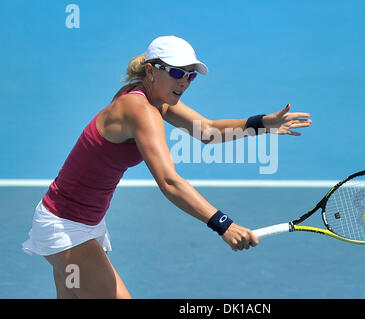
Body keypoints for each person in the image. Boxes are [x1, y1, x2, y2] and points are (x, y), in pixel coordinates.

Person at [22, 35, 312, 299]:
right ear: (150, 70)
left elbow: (207, 131)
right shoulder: (139, 109)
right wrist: (224, 224)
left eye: (190, 76)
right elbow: (170, 182)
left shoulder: (150, 97)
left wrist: (262, 123)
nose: (183, 81)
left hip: (78, 221)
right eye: (176, 72)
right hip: (66, 226)